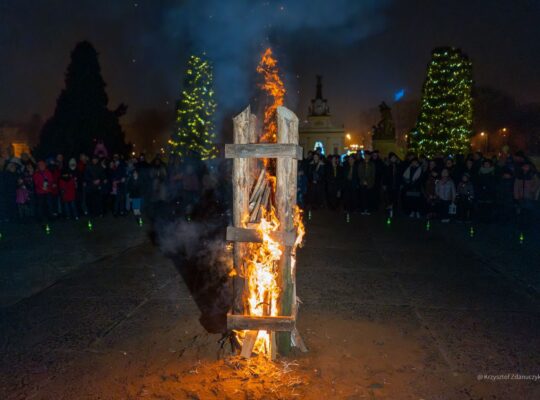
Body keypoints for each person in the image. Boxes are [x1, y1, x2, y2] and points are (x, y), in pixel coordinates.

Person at [382, 152, 401, 217]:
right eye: (392, 158)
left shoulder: (398, 165)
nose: (394, 159)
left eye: (394, 157)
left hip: (396, 184)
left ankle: (394, 210)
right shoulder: (387, 165)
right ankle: (389, 209)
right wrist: (384, 184)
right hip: (389, 184)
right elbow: (385, 175)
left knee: (395, 197)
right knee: (389, 197)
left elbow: (400, 175)